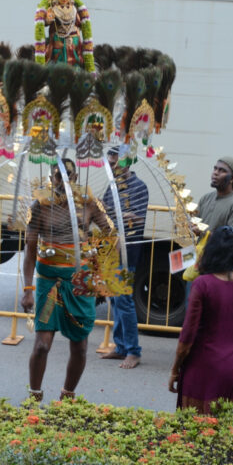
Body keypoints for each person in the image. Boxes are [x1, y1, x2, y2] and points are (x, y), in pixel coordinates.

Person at [20, 158, 113, 401]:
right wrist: (28, 289)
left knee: (80, 347)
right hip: (49, 284)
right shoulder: (39, 206)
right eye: (58, 177)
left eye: (68, 176)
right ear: (51, 179)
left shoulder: (89, 202)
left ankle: (68, 396)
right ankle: (34, 396)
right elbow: (30, 251)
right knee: (42, 345)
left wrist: (99, 273)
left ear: (75, 178)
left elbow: (110, 235)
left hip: (80, 283)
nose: (63, 181)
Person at [169, 226, 233, 413]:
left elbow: (188, 335)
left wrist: (175, 369)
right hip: (231, 367)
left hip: (200, 366)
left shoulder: (202, 284)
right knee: (224, 426)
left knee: (193, 425)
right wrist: (232, 344)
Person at [99, 145, 149, 369]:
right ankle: (120, 347)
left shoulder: (139, 187)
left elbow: (137, 218)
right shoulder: (112, 186)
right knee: (114, 299)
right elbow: (103, 214)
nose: (110, 165)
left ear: (127, 162)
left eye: (114, 161)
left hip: (128, 253)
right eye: (109, 161)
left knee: (124, 300)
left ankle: (133, 351)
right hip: (111, 251)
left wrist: (110, 213)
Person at [196, 156, 233, 240]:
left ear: (232, 178)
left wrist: (203, 233)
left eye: (222, 170)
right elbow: (195, 225)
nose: (215, 173)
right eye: (215, 169)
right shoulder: (206, 198)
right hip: (199, 248)